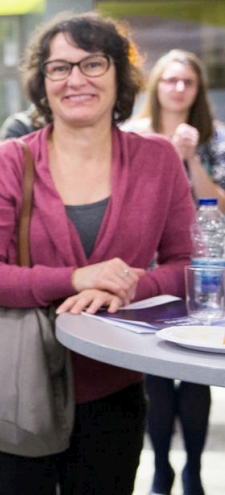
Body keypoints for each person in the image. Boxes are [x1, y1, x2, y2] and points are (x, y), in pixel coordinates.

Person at [0, 13, 195, 494]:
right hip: (15, 388)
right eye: (59, 68)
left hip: (116, 385)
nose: (76, 80)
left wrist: (129, 285)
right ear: (42, 84)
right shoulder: (8, 161)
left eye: (93, 63)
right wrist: (75, 278)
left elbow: (189, 267)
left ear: (118, 75)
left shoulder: (157, 159)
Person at [128, 48, 222, 495]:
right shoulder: (135, 136)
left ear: (198, 90)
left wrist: (190, 158)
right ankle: (162, 467)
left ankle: (194, 470)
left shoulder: (214, 138)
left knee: (197, 367)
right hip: (148, 269)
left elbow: (220, 207)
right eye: (170, 80)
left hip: (206, 269)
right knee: (156, 370)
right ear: (156, 86)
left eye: (188, 81)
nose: (179, 88)